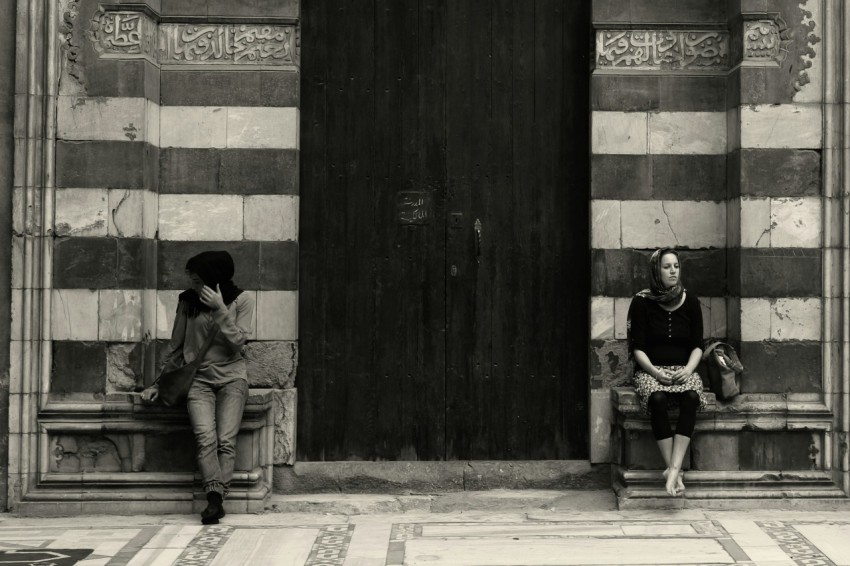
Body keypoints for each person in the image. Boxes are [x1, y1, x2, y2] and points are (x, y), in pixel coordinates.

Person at [142, 250, 255, 524]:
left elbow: (238, 342)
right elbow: (176, 346)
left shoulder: (243, 300)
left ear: (212, 278)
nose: (192, 286)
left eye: (196, 281)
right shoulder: (187, 302)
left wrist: (219, 309)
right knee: (206, 437)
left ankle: (216, 500)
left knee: (226, 440)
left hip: (232, 377)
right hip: (199, 380)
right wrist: (160, 383)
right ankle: (215, 498)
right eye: (191, 281)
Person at [627, 248, 706, 496]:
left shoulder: (691, 301)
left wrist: (689, 370)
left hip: (684, 370)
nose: (673, 271)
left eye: (676, 266)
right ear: (656, 271)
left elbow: (697, 346)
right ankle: (675, 470)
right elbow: (637, 348)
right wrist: (654, 372)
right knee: (657, 399)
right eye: (666, 267)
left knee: (691, 397)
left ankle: (673, 469)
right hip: (650, 371)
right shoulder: (641, 302)